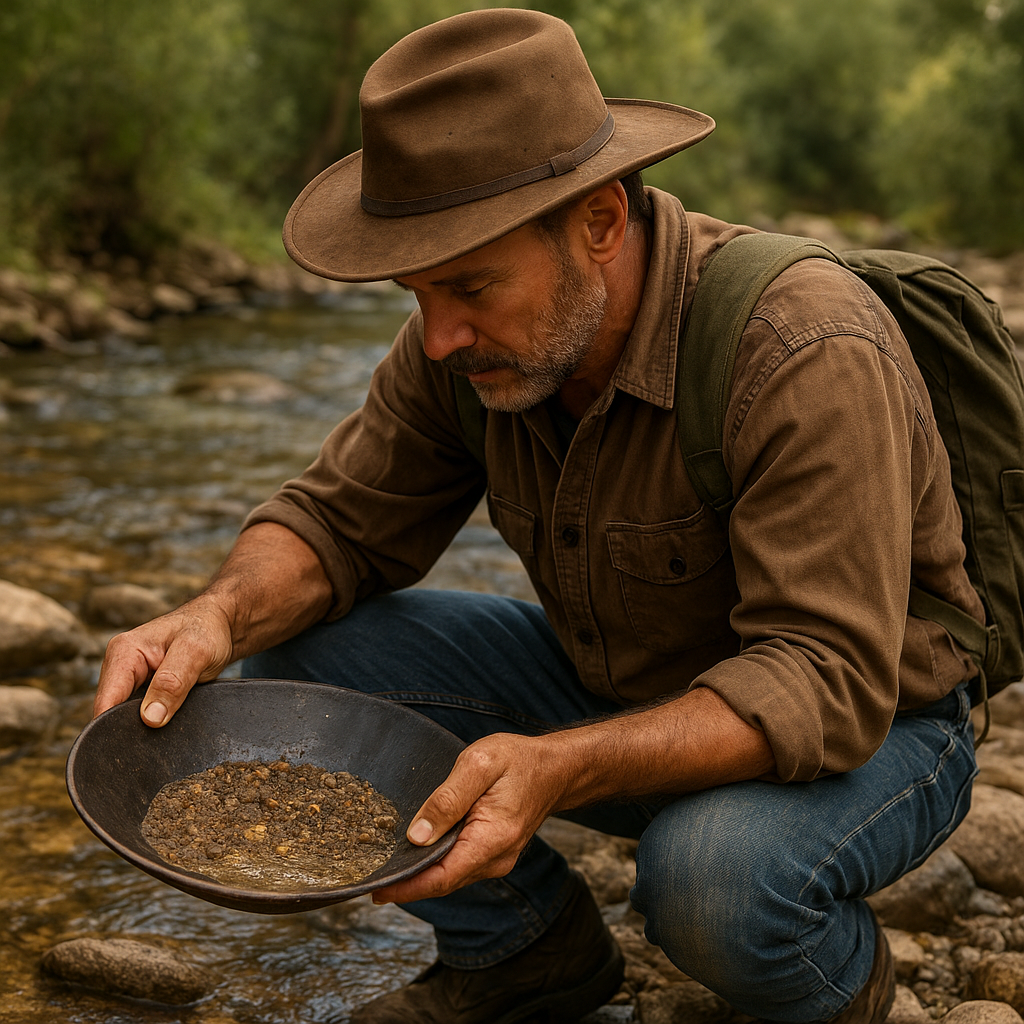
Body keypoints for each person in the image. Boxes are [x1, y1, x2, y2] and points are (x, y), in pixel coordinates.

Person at [94, 9, 984, 1023]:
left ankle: (842, 991)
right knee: (298, 660)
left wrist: (555, 766)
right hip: (623, 686)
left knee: (708, 880)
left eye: (468, 286)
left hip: (877, 732)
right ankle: (528, 953)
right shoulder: (463, 347)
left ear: (601, 222)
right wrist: (218, 614)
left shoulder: (800, 346)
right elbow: (334, 523)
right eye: (415, 292)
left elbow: (821, 679)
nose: (437, 337)